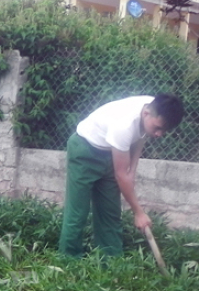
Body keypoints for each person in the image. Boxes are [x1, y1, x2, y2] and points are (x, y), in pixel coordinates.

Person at [59, 94, 184, 257]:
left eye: (164, 130)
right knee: (78, 212)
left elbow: (141, 136)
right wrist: (138, 213)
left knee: (110, 213)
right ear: (146, 113)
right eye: (158, 128)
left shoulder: (155, 106)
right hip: (85, 150)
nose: (159, 134)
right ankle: (68, 260)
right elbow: (121, 175)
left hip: (110, 152)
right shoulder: (123, 125)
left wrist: (132, 170)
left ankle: (111, 262)